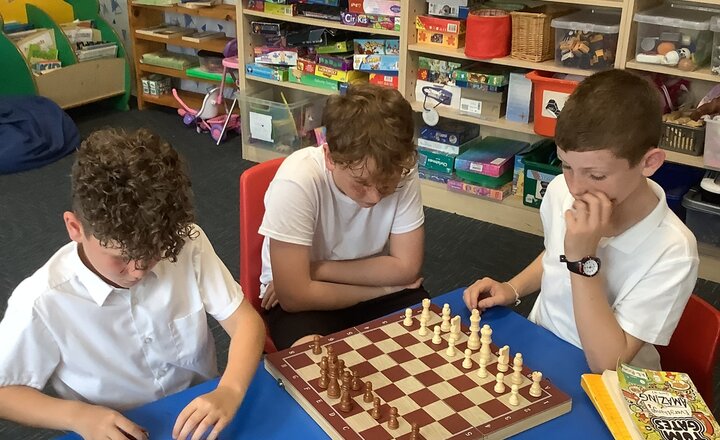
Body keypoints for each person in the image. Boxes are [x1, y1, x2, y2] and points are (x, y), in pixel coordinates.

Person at [0, 128, 265, 440]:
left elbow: (246, 322)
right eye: (121, 257)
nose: (138, 270)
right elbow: (4, 393)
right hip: (115, 429)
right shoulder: (41, 300)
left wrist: (230, 389)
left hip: (198, 410)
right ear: (75, 227)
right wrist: (77, 416)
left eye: (155, 252)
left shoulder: (186, 243)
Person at [463, 69, 698, 373]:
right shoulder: (560, 190)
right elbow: (554, 255)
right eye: (566, 165)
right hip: (541, 344)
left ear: (649, 163)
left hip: (608, 378)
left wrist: (583, 260)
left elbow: (607, 365)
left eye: (596, 175)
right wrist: (513, 287)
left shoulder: (675, 250)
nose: (575, 187)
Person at [258, 83, 426, 350]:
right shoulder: (296, 181)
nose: (374, 197)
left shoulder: (401, 168)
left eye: (386, 185)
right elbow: (293, 296)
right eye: (361, 183)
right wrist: (384, 290)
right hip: (308, 302)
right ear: (330, 157)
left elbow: (406, 267)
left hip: (350, 280)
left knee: (427, 344)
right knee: (315, 365)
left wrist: (316, 269)